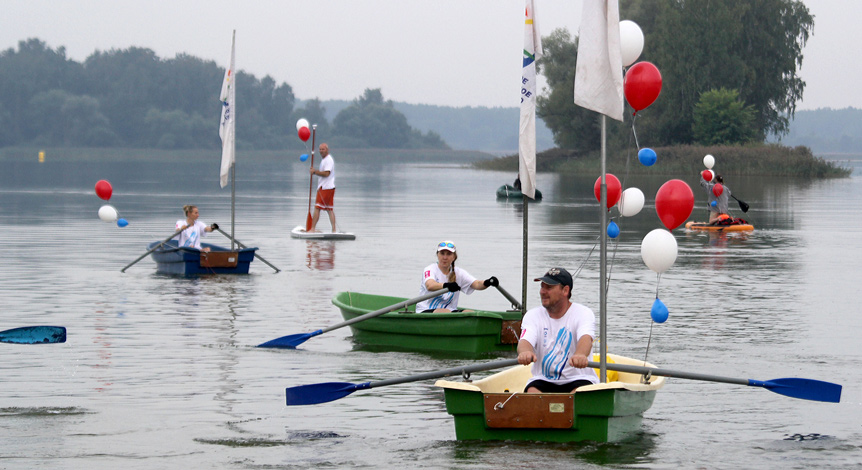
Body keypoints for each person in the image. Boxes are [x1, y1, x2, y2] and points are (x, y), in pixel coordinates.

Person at [517, 267, 599, 393]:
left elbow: (585, 339)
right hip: (543, 380)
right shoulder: (532, 315)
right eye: (542, 287)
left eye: (549, 288)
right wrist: (525, 353)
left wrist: (580, 355)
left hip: (578, 379)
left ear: (565, 290)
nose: (542, 292)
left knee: (577, 396)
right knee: (533, 392)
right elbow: (525, 341)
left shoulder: (583, 313)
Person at [416, 240, 499, 313]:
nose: (445, 257)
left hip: (450, 311)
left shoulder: (458, 273)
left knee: (469, 313)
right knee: (445, 312)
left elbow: (477, 284)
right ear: (437, 255)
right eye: (442, 254)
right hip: (425, 310)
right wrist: (446, 285)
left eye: (448, 254)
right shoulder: (430, 269)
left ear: (454, 257)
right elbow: (430, 285)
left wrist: (488, 282)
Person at [310, 143, 337, 232]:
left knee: (317, 208)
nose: (321, 151)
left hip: (325, 188)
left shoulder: (328, 160)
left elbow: (326, 173)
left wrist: (315, 172)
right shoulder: (324, 160)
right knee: (329, 209)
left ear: (327, 150)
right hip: (328, 187)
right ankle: (334, 230)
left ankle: (312, 229)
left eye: (323, 149)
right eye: (320, 149)